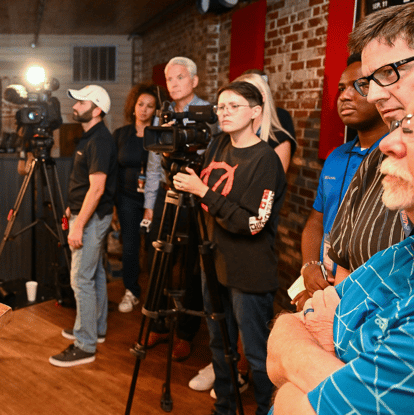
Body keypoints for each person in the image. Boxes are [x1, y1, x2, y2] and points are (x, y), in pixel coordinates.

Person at [266, 99, 414, 415]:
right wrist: (311, 267)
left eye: (411, 129)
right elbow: (281, 339)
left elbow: (292, 407)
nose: (389, 144)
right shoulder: (398, 257)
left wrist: (311, 354)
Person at [172, 81, 286, 415]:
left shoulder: (265, 160)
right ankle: (224, 407)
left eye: (234, 106)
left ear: (255, 112)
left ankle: (267, 410)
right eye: (221, 106)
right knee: (220, 344)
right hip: (214, 262)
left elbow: (251, 224)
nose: (224, 112)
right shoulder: (219, 143)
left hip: (249, 271)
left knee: (255, 353)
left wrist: (202, 191)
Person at [292, 54, 388, 310]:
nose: (345, 96)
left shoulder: (398, 154)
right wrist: (309, 267)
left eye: (361, 86)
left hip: (371, 298)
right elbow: (315, 221)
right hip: (324, 286)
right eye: (341, 88)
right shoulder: (336, 156)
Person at [326, 5, 414, 283]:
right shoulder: (375, 161)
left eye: (389, 72)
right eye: (368, 82)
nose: (374, 95)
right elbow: (342, 264)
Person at [145, 56, 209, 365]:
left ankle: (185, 333)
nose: (173, 84)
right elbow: (154, 163)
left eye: (180, 77)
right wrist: (148, 206)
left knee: (193, 266)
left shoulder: (209, 112)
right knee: (160, 257)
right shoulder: (163, 114)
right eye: (169, 79)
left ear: (194, 81)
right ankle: (156, 324)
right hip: (168, 196)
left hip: (197, 198)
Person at [50, 84, 117, 367]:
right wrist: (72, 207)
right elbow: (85, 183)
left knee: (80, 279)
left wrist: (78, 226)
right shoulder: (90, 136)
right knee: (95, 274)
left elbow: (98, 189)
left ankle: (85, 343)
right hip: (84, 213)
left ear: (97, 109)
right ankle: (96, 328)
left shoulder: (99, 139)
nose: (75, 105)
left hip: (90, 219)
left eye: (81, 102)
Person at [111, 82, 162, 314]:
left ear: (155, 110)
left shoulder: (160, 136)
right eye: (141, 104)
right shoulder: (121, 134)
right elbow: (112, 171)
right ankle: (131, 290)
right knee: (130, 246)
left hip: (155, 198)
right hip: (127, 198)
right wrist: (113, 206)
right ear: (133, 107)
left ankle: (156, 295)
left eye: (150, 106)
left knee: (155, 247)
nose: (144, 110)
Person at [234, 72, 297, 172]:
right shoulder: (226, 137)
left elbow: (273, 184)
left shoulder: (278, 140)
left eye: (245, 96)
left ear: (262, 98)